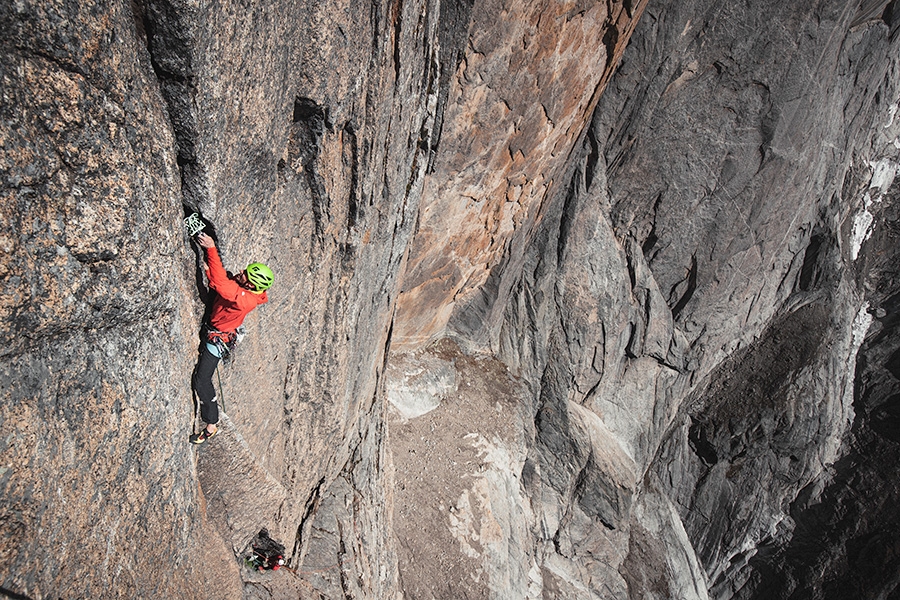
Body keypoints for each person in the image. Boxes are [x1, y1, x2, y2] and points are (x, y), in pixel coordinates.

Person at [190, 232, 273, 444]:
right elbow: (222, 283)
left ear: (251, 286)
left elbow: (221, 283)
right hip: (217, 328)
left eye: (245, 275)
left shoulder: (246, 301)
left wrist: (210, 248)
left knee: (202, 380)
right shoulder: (245, 290)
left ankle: (211, 423)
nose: (241, 273)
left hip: (217, 340)